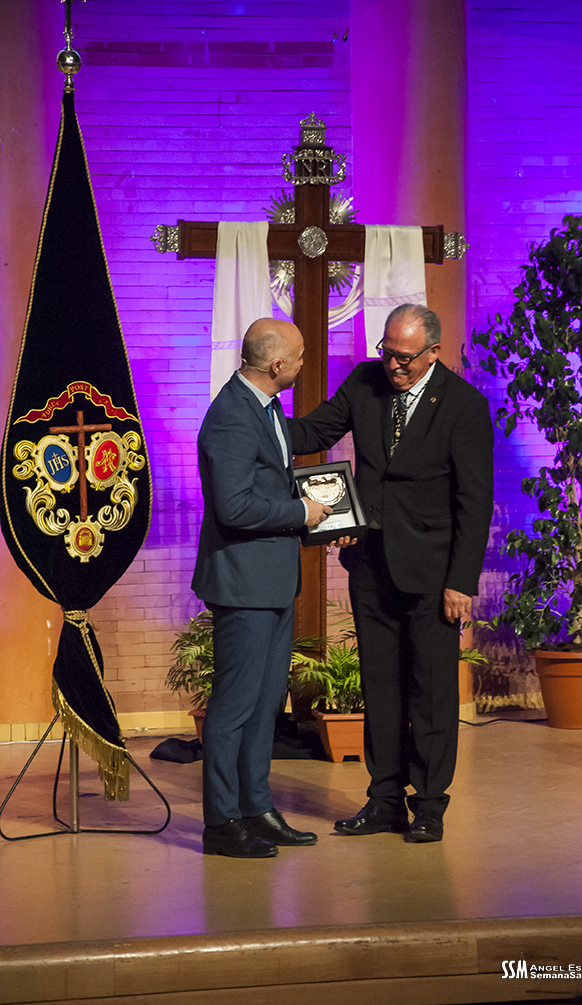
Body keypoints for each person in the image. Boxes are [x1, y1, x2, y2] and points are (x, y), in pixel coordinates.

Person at [288, 304, 494, 843]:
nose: (394, 365)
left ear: (433, 353)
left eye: (405, 357)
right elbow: (314, 430)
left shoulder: (464, 406)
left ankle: (428, 804)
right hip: (372, 564)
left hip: (434, 574)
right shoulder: (366, 381)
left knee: (431, 692)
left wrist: (461, 581)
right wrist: (257, 418)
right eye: (388, 352)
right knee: (380, 687)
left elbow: (475, 502)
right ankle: (383, 800)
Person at [192, 318, 332, 858]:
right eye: (299, 356)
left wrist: (325, 518)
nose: (303, 363)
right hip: (243, 584)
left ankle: (256, 807)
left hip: (272, 581)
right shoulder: (231, 416)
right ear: (277, 365)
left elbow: (274, 476)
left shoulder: (266, 407)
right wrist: (301, 512)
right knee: (234, 706)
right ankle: (221, 822)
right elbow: (234, 507)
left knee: (266, 703)